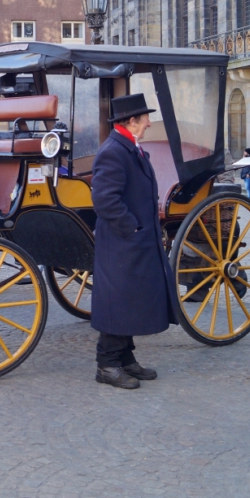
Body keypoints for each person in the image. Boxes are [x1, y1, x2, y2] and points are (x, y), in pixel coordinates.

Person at [90, 93, 178, 390]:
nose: (149, 123)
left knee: (127, 301)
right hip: (122, 241)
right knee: (117, 301)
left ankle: (125, 359)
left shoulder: (128, 147)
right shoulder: (114, 151)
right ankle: (107, 365)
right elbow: (104, 199)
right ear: (131, 121)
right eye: (145, 119)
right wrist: (133, 228)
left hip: (132, 239)